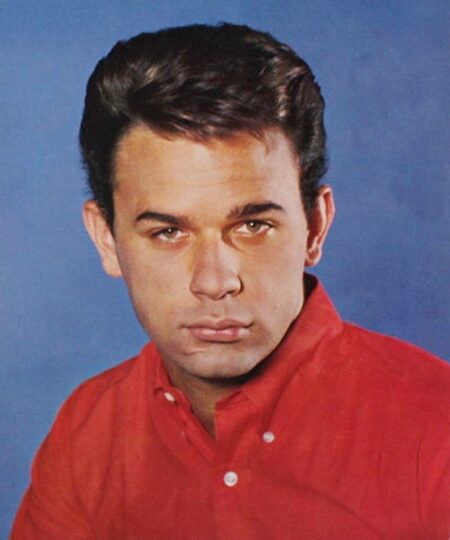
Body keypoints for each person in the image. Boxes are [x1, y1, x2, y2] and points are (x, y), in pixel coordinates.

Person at [11, 23, 450, 540]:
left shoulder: (436, 426)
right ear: (106, 238)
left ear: (315, 227)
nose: (215, 282)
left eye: (252, 226)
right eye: (169, 232)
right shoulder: (87, 430)